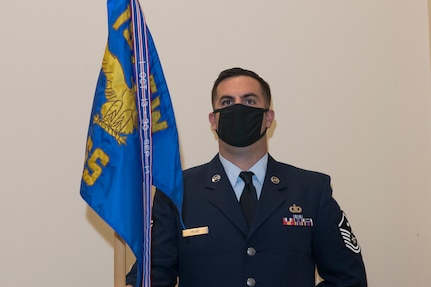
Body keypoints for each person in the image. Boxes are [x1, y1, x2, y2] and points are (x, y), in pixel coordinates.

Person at [126, 67, 367, 287]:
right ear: (213, 120)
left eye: (249, 101)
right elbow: (151, 277)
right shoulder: (178, 191)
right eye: (227, 102)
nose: (237, 109)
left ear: (268, 118)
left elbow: (348, 279)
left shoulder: (311, 190)